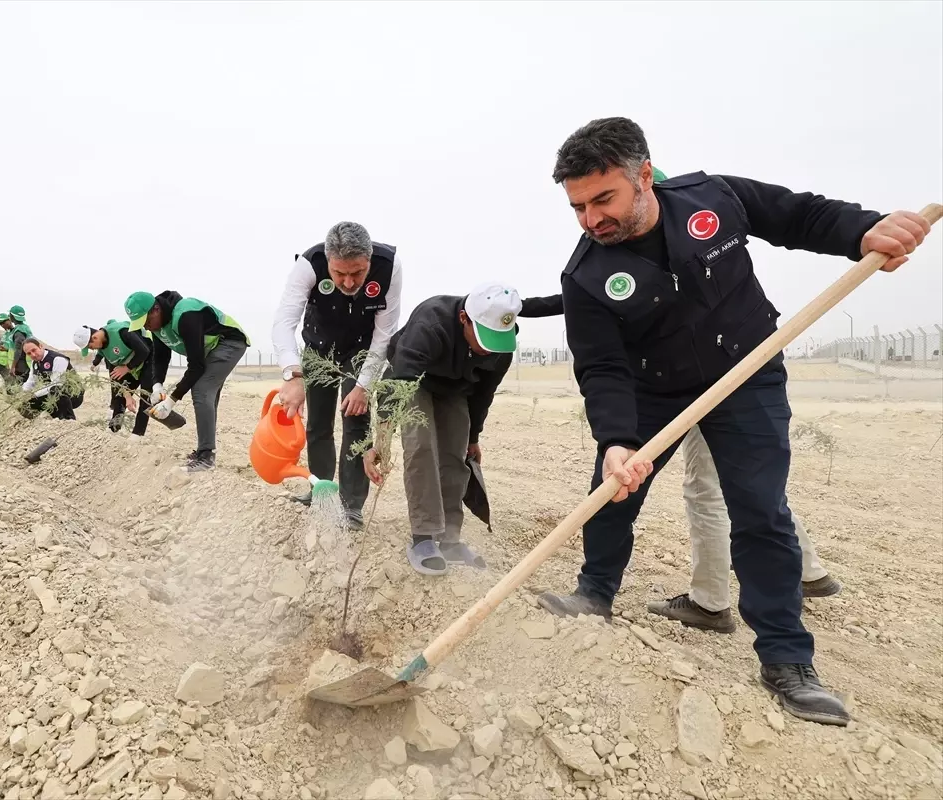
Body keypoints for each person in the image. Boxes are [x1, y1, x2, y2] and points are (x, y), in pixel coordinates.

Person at [536, 116, 929, 725]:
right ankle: (594, 593)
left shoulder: (712, 198)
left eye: (603, 199)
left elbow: (799, 216)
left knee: (760, 510)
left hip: (747, 370)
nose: (591, 219)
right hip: (654, 389)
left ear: (644, 176)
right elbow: (602, 367)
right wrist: (616, 440)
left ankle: (786, 659)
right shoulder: (586, 277)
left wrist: (862, 230)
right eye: (578, 207)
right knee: (613, 492)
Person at [364, 283, 563, 575]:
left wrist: (473, 437)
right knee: (421, 446)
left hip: (455, 387)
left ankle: (449, 539)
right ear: (464, 319)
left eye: (496, 340)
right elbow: (399, 383)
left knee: (456, 453)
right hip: (413, 381)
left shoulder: (500, 349)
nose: (488, 348)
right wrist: (380, 441)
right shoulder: (430, 324)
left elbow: (483, 394)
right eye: (484, 338)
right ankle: (423, 537)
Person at [272, 221, 403, 529]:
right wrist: (293, 375)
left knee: (356, 421)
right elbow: (283, 322)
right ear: (328, 261)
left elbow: (384, 334)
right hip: (318, 348)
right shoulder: (309, 264)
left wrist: (363, 386)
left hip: (362, 351)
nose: (348, 282)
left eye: (357, 272)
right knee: (317, 424)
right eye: (339, 273)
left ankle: (351, 505)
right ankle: (320, 491)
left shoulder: (390, 266)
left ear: (369, 259)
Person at [651, 425, 843, 633]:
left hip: (710, 407)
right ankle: (807, 571)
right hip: (751, 409)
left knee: (705, 491)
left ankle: (708, 604)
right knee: (755, 487)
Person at [125, 290, 249, 471]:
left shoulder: (186, 315)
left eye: (146, 321)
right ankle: (204, 450)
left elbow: (196, 366)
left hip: (229, 342)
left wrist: (171, 401)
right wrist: (157, 385)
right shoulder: (157, 327)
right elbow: (160, 357)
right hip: (211, 349)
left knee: (202, 389)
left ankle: (206, 457)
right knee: (207, 393)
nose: (147, 327)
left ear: (156, 310)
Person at [74, 320, 154, 439]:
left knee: (145, 396)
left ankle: (138, 434)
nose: (92, 349)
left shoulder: (122, 332)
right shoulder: (103, 349)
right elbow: (116, 378)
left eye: (90, 347)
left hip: (148, 358)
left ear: (94, 338)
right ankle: (114, 429)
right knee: (119, 396)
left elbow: (144, 351)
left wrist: (127, 367)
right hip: (131, 366)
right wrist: (127, 396)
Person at [19, 338, 84, 420]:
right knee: (24, 404)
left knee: (55, 390)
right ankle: (42, 421)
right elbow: (31, 381)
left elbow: (57, 383)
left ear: (40, 346)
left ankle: (68, 420)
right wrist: (22, 394)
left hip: (73, 395)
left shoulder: (58, 359)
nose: (33, 355)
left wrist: (34, 394)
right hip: (51, 392)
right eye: (29, 353)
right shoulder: (34, 363)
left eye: (34, 350)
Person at [7, 305, 33, 381]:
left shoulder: (19, 331)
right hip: (26, 362)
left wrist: (13, 367)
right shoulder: (25, 327)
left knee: (22, 384)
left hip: (21, 364)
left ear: (12, 316)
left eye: (9, 314)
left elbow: (18, 350)